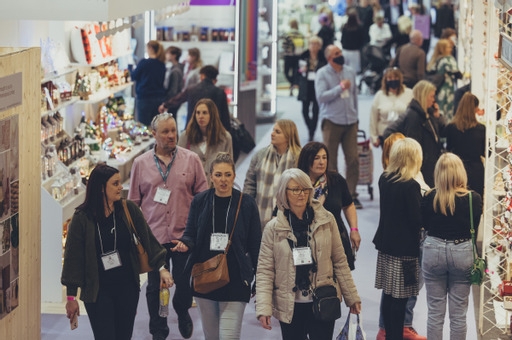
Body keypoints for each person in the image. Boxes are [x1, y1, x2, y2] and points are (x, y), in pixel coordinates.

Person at [61, 164, 173, 340]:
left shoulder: (128, 209)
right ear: (100, 188)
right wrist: (70, 297)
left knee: (123, 336)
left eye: (120, 182)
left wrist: (162, 268)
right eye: (115, 183)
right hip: (98, 293)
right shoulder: (82, 218)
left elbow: (148, 240)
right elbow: (73, 259)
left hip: (127, 288)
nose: (121, 187)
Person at [128, 113, 208, 340]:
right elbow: (133, 203)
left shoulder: (191, 160)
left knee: (184, 284)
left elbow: (203, 196)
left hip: (184, 235)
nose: (172, 135)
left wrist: (196, 232)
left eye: (174, 130)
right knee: (154, 288)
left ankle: (182, 311)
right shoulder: (140, 164)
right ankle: (158, 329)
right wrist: (136, 237)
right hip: (153, 237)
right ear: (154, 134)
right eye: (165, 131)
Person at [256, 168, 362, 340]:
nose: (301, 193)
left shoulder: (326, 220)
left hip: (323, 300)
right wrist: (263, 307)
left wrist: (352, 297)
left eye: (305, 189)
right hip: (290, 304)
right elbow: (265, 270)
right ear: (284, 193)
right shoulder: (273, 228)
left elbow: (340, 261)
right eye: (295, 189)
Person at [172, 152, 262, 340]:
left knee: (229, 336)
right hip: (205, 277)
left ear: (234, 176)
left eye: (227, 175)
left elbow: (255, 245)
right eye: (219, 175)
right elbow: (190, 233)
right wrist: (184, 244)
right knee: (211, 336)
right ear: (210, 176)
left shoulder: (246, 203)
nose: (223, 180)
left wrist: (259, 280)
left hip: (236, 279)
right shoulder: (200, 201)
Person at [422, 153, 483, 339]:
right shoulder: (474, 199)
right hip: (462, 253)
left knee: (434, 312)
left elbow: (424, 224)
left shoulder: (429, 196)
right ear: (461, 172)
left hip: (433, 250)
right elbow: (474, 225)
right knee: (458, 315)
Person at [376, 133, 428, 340]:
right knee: (401, 300)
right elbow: (418, 221)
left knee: (389, 296)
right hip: (405, 251)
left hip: (386, 245)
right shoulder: (411, 186)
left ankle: (387, 334)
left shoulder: (384, 179)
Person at [297, 141, 361, 270]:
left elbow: (348, 205)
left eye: (324, 157)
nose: (322, 162)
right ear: (306, 160)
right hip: (304, 242)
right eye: (316, 158)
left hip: (334, 240)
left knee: (340, 282)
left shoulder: (336, 180)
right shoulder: (296, 183)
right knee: (304, 280)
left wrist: (354, 230)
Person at [315, 44, 362, 209]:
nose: (340, 55)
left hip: (350, 122)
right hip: (331, 122)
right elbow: (321, 97)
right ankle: (333, 196)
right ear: (329, 58)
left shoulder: (349, 71)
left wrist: (356, 116)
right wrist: (339, 88)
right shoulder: (322, 74)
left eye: (341, 51)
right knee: (330, 162)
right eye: (336, 53)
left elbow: (354, 95)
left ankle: (350, 195)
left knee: (353, 160)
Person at [243, 119, 301, 229]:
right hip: (260, 216)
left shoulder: (299, 158)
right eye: (273, 130)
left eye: (277, 132)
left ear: (288, 136)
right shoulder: (260, 155)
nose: (272, 133)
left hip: (289, 218)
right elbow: (249, 185)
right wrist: (247, 208)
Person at [159, 65, 230, 133]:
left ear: (202, 76)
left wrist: (165, 105)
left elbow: (177, 99)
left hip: (192, 129)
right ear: (215, 79)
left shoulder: (191, 90)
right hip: (213, 130)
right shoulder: (220, 92)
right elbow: (225, 116)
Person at [177, 98, 233, 183]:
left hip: (215, 189)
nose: (200, 116)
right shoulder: (185, 136)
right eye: (198, 112)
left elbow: (229, 168)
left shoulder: (225, 138)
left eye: (205, 113)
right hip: (191, 190)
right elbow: (178, 165)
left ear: (212, 115)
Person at [402, 80, 445, 187]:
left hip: (430, 165)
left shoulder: (428, 114)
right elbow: (413, 143)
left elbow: (442, 132)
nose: (433, 100)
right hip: (423, 167)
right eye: (431, 96)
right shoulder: (414, 117)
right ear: (424, 96)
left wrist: (438, 116)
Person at [443, 92, 486, 197]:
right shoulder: (481, 129)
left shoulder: (451, 128)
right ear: (475, 108)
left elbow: (448, 149)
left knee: (456, 200)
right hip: (476, 170)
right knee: (476, 201)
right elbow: (486, 152)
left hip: (456, 169)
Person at [370, 67, 413, 147]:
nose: (393, 80)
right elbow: (373, 118)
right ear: (385, 80)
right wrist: (374, 137)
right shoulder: (379, 95)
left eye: (396, 77)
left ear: (400, 79)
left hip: (403, 135)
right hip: (385, 135)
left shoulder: (409, 93)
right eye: (390, 78)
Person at [129, 40, 166, 127]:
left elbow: (134, 76)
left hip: (144, 98)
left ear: (150, 48)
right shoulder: (161, 64)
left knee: (143, 126)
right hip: (158, 98)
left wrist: (130, 68)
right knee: (156, 126)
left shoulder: (144, 63)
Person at [297, 36, 327, 141]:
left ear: (319, 46)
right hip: (306, 85)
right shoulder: (303, 55)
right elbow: (298, 70)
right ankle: (310, 127)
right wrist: (302, 70)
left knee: (315, 110)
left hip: (318, 86)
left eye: (316, 44)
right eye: (311, 44)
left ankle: (312, 132)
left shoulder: (323, 57)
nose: (313, 46)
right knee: (304, 111)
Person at [427, 39, 462, 120]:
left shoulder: (435, 59)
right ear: (443, 48)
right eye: (448, 47)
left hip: (438, 89)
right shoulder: (448, 60)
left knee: (438, 111)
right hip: (447, 90)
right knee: (447, 113)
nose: (451, 49)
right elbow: (458, 74)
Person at [281, 18, 305, 96]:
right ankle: (294, 84)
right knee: (295, 72)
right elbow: (303, 45)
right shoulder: (300, 34)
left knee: (286, 72)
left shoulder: (288, 34)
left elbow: (284, 45)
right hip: (298, 56)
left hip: (288, 56)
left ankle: (292, 83)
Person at [341, 7, 366, 73]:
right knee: (353, 71)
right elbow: (362, 40)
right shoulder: (359, 27)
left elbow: (342, 40)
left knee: (345, 70)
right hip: (355, 52)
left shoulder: (345, 27)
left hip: (346, 50)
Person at [162, 46, 184, 119]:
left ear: (174, 55)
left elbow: (173, 90)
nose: (166, 55)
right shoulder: (176, 68)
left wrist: (168, 103)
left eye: (168, 53)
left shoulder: (175, 71)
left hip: (173, 101)